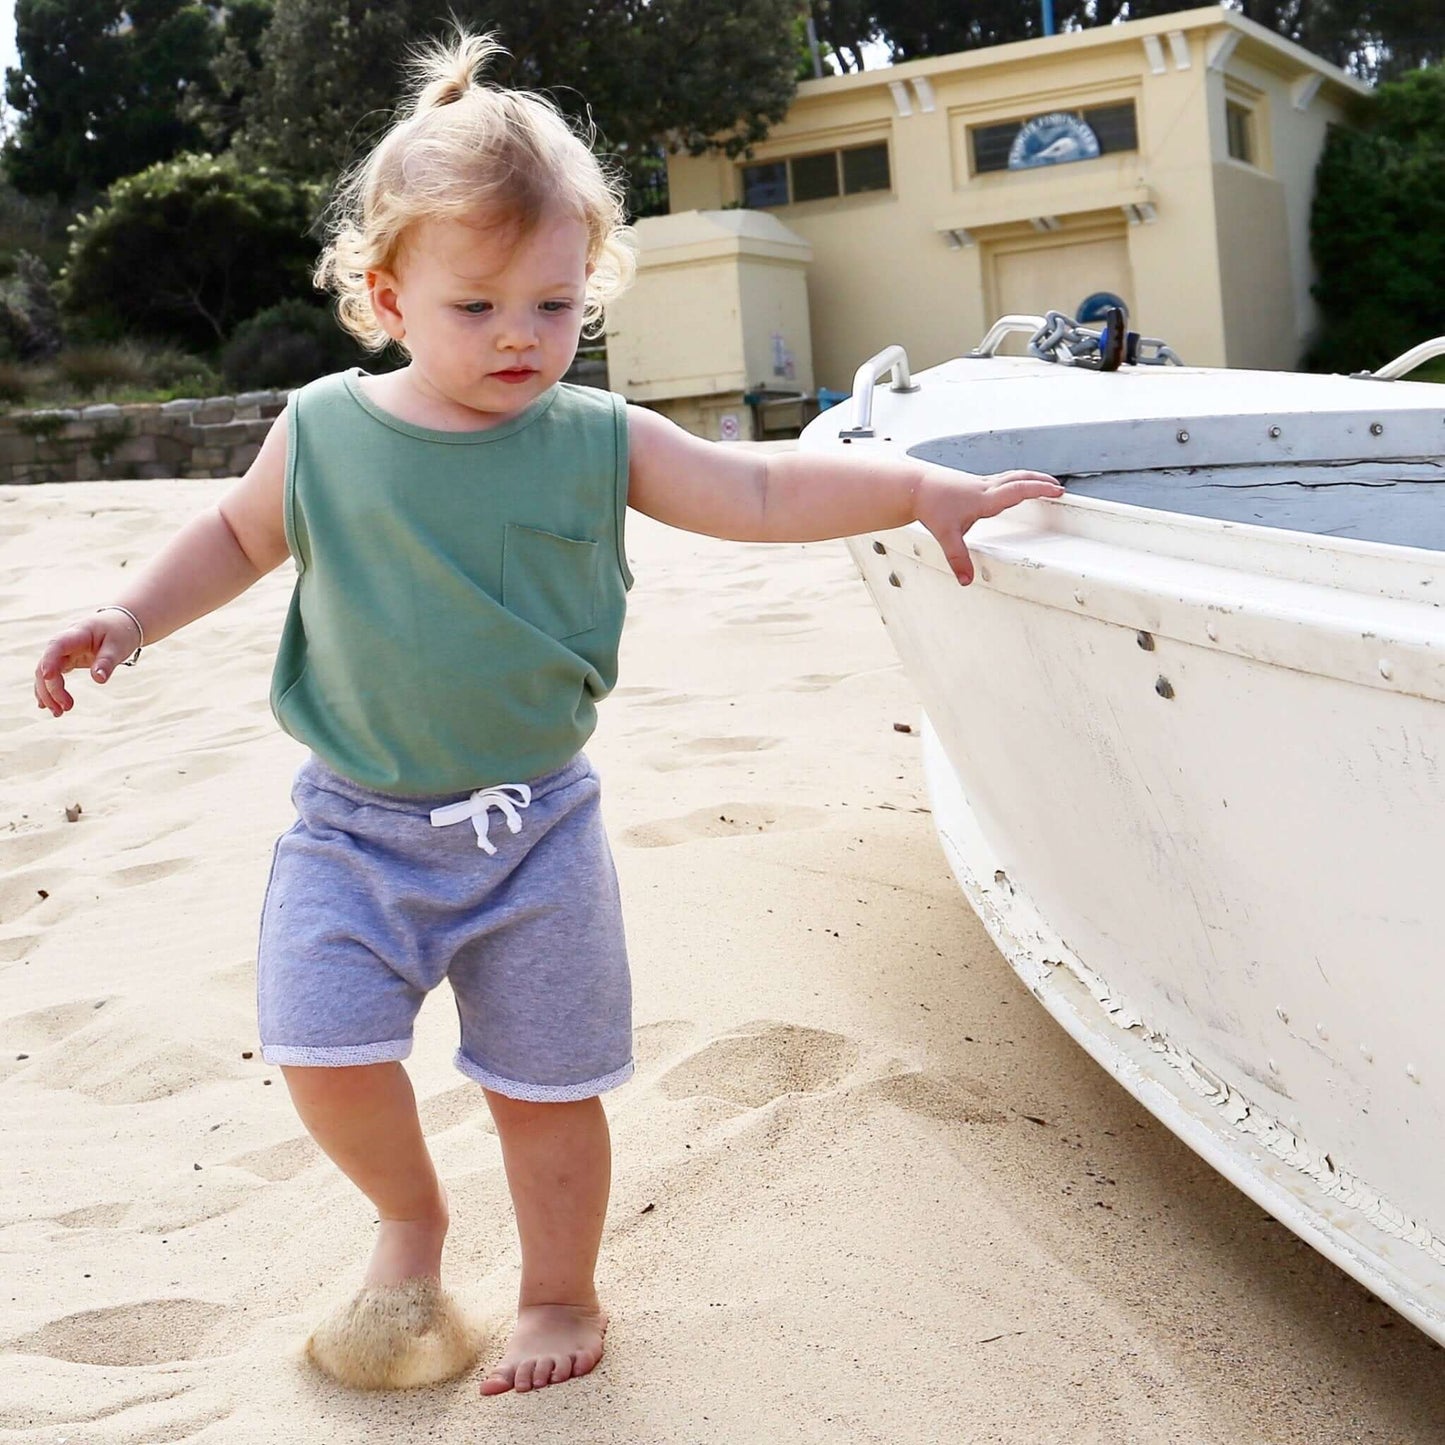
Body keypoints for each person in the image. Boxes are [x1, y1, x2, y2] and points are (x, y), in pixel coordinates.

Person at [32, 30, 1062, 1399]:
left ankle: (559, 1289)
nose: (521, 335)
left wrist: (911, 488)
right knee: (321, 1048)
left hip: (535, 832)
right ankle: (409, 1214)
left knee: (544, 1089)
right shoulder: (325, 431)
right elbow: (232, 536)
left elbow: (756, 493)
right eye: (477, 308)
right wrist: (131, 615)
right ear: (386, 294)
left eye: (555, 303)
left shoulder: (594, 439)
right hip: (352, 823)